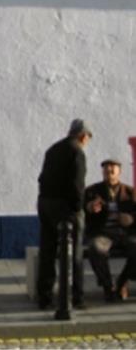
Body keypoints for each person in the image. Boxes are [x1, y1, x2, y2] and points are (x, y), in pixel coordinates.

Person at [37, 119, 92, 310]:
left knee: (47, 251)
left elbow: (42, 178)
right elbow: (78, 184)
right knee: (74, 253)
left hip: (45, 204)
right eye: (87, 138)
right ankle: (76, 297)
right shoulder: (77, 152)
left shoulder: (52, 149)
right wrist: (78, 208)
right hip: (66, 208)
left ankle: (44, 297)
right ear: (83, 136)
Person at [85, 159, 136, 301]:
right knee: (95, 248)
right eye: (106, 169)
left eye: (113, 168)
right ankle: (108, 286)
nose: (109, 171)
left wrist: (131, 218)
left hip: (125, 233)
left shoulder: (130, 192)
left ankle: (122, 282)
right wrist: (90, 208)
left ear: (119, 172)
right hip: (103, 234)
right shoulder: (92, 191)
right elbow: (82, 209)